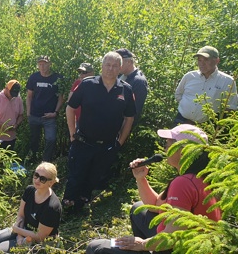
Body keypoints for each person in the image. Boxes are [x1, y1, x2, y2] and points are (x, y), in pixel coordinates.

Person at [86, 124, 221, 254]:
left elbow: (172, 237)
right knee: (138, 209)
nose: (165, 146)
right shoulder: (199, 176)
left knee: (96, 247)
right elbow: (155, 206)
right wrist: (140, 178)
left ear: (184, 150)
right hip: (180, 245)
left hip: (176, 248)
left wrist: (142, 244)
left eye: (170, 143)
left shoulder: (184, 183)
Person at [64, 52, 136, 210]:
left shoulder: (126, 90)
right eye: (107, 65)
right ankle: (67, 207)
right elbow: (70, 107)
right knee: (76, 176)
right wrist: (72, 133)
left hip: (107, 145)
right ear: (102, 66)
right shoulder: (87, 84)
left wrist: (120, 142)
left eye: (115, 66)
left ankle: (82, 204)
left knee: (94, 178)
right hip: (82, 141)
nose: (110, 69)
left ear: (120, 68)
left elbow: (129, 118)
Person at [0, 162, 62, 253]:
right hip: (23, 229)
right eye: (36, 175)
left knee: (0, 250)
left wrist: (18, 231)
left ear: (51, 182)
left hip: (39, 242)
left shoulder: (52, 207)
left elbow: (40, 237)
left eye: (42, 179)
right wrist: (19, 235)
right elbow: (21, 215)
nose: (37, 180)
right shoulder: (29, 190)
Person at [174, 45, 238, 125]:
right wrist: (187, 109)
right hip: (181, 120)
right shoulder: (190, 76)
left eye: (206, 60)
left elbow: (231, 107)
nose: (202, 64)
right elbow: (178, 95)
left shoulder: (227, 81)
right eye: (199, 60)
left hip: (207, 126)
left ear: (217, 61)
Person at [26, 55, 65, 162]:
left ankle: (46, 161)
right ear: (38, 65)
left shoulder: (57, 78)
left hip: (49, 116)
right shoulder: (34, 77)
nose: (42, 67)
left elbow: (61, 98)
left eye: (45, 64)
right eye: (40, 64)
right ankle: (33, 158)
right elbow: (29, 96)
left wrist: (55, 113)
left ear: (50, 64)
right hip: (34, 114)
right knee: (34, 139)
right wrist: (28, 113)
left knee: (51, 139)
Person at [0, 79, 24, 150]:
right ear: (6, 88)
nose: (13, 96)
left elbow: (21, 115)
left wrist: (16, 125)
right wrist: (2, 126)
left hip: (11, 137)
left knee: (8, 160)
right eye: (11, 93)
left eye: (15, 94)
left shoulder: (18, 98)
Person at [116, 48, 149, 126]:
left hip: (121, 127)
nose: (116, 65)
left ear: (129, 62)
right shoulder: (120, 74)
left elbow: (134, 112)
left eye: (119, 62)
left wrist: (123, 135)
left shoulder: (138, 82)